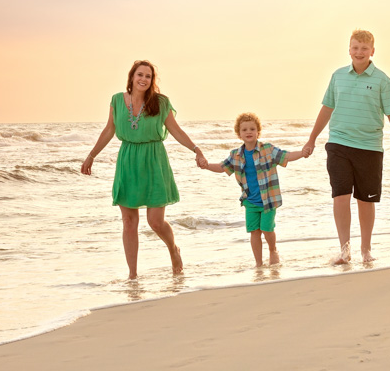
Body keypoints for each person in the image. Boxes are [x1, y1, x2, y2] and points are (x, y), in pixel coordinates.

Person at [81, 60, 206, 279]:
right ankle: (133, 275)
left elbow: (175, 130)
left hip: (154, 160)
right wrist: (91, 156)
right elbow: (109, 130)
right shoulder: (117, 101)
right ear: (131, 77)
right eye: (140, 74)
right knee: (129, 222)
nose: (143, 79)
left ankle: (173, 249)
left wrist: (196, 149)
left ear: (152, 80)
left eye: (148, 76)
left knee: (155, 222)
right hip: (128, 161)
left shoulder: (161, 102)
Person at [301, 29, 390, 264]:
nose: (359, 52)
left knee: (366, 199)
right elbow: (326, 109)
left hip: (369, 147)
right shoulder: (338, 76)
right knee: (340, 195)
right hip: (338, 143)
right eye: (355, 47)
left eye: (363, 48)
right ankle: (344, 249)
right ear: (349, 49)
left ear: (372, 51)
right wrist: (312, 139)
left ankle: (366, 249)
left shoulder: (382, 80)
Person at [199, 112, 307, 267]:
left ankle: (272, 250)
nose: (248, 132)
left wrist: (302, 153)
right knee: (254, 231)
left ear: (258, 132)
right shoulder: (235, 155)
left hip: (268, 199)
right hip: (250, 201)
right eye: (244, 130)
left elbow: (286, 156)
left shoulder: (267, 149)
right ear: (239, 134)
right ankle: (258, 263)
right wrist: (206, 165)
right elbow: (222, 167)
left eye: (252, 129)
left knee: (267, 230)